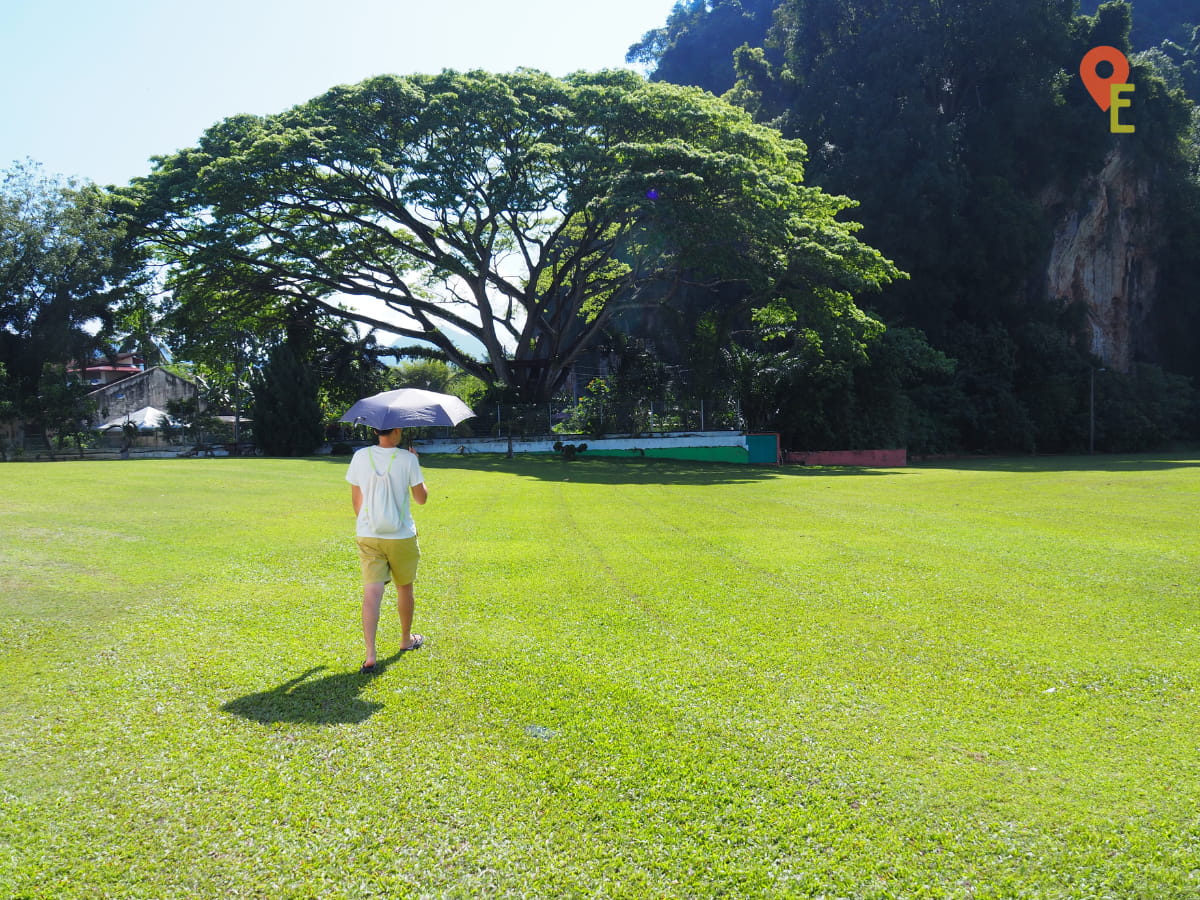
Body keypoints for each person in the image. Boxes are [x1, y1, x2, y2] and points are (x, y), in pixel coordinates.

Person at [345, 426, 429, 674]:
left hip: (368, 534)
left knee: (371, 593)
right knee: (405, 587)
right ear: (397, 430)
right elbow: (421, 498)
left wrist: (367, 523)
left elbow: (356, 499)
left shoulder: (360, 456)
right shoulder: (407, 458)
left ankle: (370, 655)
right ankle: (405, 640)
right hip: (401, 535)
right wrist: (416, 464)